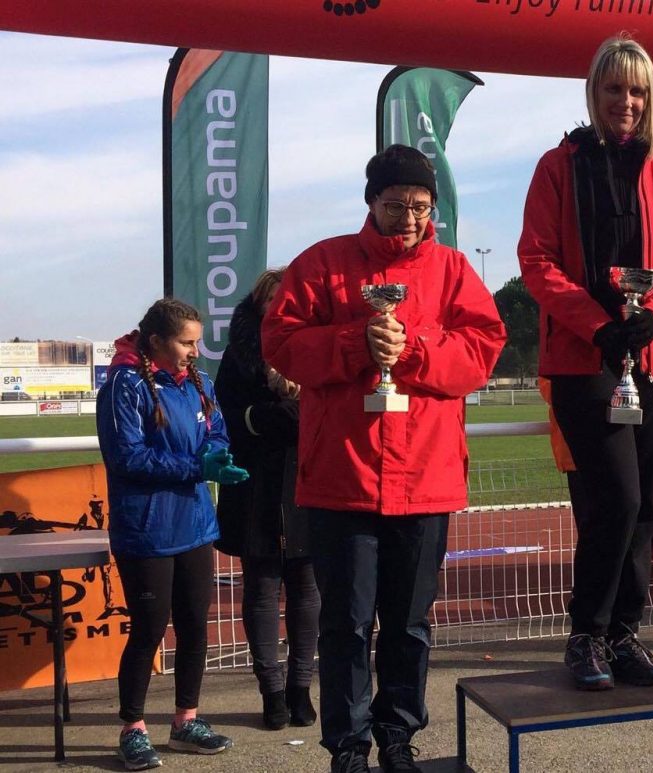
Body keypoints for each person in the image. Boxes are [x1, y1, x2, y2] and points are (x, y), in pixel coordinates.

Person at [261, 144, 505, 773]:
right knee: (344, 624)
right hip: (342, 477)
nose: (409, 218)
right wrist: (353, 341)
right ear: (370, 202)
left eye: (421, 207)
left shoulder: (453, 271)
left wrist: (414, 347)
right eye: (395, 204)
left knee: (408, 623)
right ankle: (347, 744)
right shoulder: (322, 264)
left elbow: (482, 350)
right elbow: (281, 343)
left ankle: (398, 736)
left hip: (425, 479)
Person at [517, 33, 653, 691]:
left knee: (645, 506)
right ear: (594, 93)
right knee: (617, 499)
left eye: (636, 90)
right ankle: (587, 633)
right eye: (613, 88)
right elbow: (537, 261)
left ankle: (626, 633)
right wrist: (599, 325)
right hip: (585, 357)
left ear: (649, 97)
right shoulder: (558, 165)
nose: (625, 101)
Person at [97, 298, 247, 770]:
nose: (194, 351)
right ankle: (133, 728)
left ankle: (186, 720)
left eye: (196, 341)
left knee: (194, 627)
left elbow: (217, 430)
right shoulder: (124, 383)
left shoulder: (197, 381)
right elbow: (128, 458)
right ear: (157, 341)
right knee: (147, 630)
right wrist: (194, 466)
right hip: (147, 529)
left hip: (196, 524)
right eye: (186, 342)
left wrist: (217, 457)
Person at [214, 268, 318, 730]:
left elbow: (327, 411)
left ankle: (300, 688)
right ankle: (271, 692)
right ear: (258, 305)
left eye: (288, 299)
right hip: (253, 486)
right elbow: (228, 419)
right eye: (272, 300)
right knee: (259, 590)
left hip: (308, 484)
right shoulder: (237, 358)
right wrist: (274, 415)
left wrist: (285, 416)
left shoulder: (317, 345)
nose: (281, 307)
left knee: (307, 592)